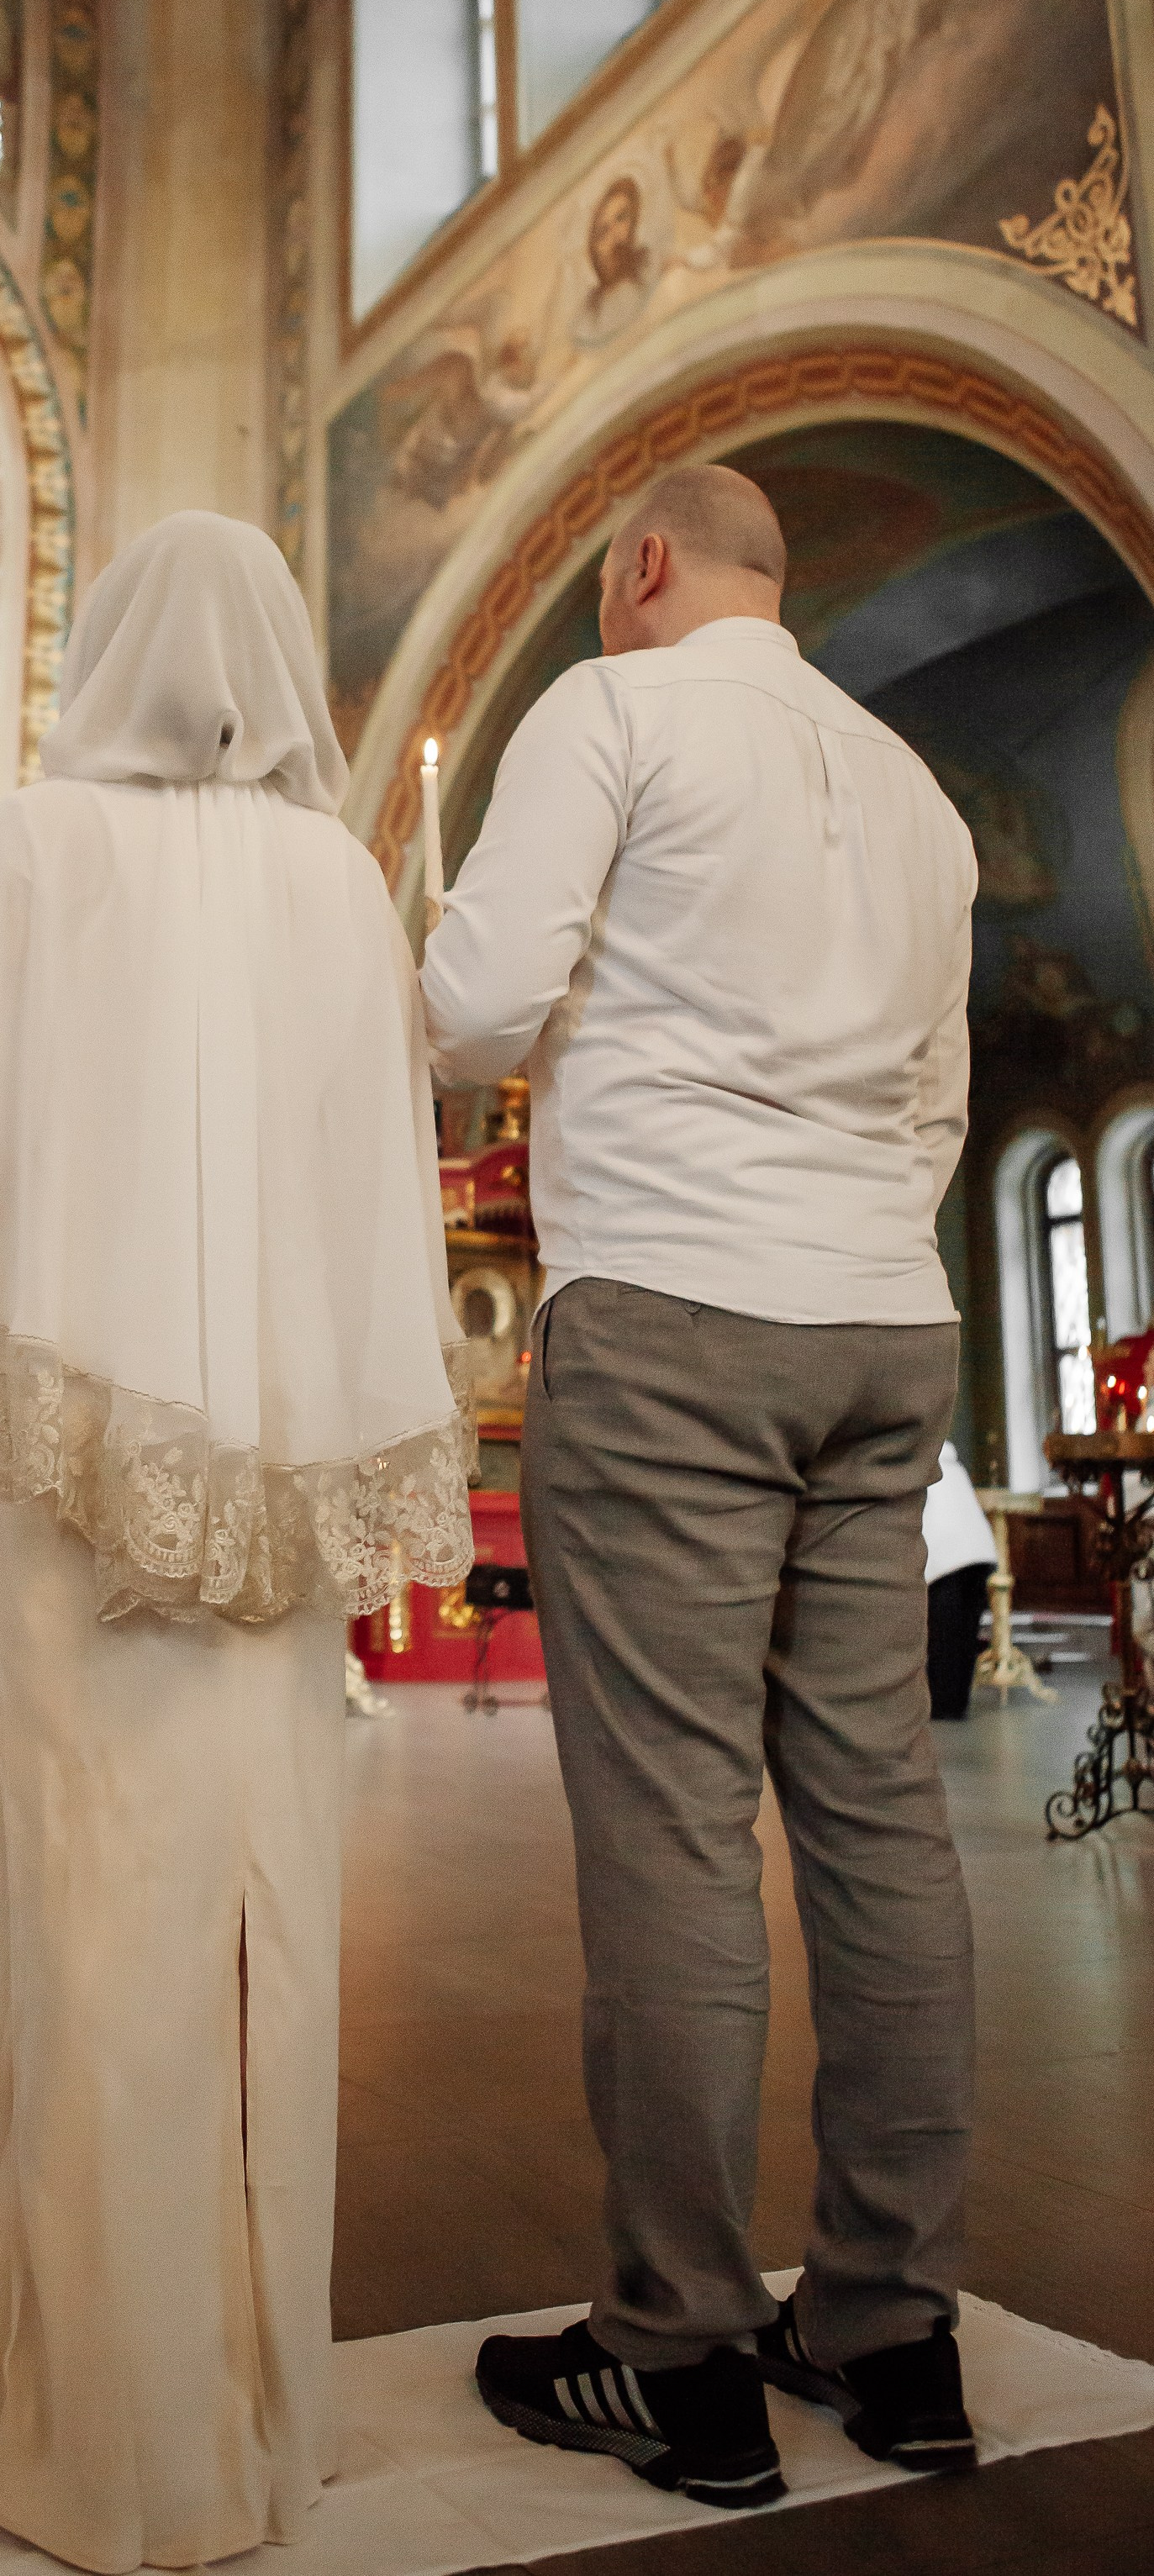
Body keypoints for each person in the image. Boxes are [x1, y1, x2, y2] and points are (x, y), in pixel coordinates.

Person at [0, 511, 473, 2574]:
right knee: (265, 1917)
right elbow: (381, 1177)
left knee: (92, 1907)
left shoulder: (38, 845)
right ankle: (262, 2427)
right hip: (283, 1465)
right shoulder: (339, 884)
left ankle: (95, 2441)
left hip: (73, 1455)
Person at [423, 463, 979, 2510]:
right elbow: (936, 1099)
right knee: (877, 1817)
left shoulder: (612, 709)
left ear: (639, 565)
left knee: (669, 1827)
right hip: (883, 1320)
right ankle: (889, 2329)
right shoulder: (911, 789)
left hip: (670, 1304)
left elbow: (471, 1007)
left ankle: (674, 2351)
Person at [924, 1441, 998, 1721]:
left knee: (943, 1635)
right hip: (979, 1555)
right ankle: (956, 1703)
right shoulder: (952, 1464)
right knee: (965, 1635)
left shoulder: (922, 1466)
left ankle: (943, 1705)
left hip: (947, 1560)